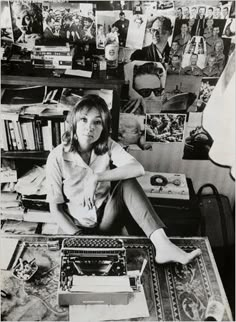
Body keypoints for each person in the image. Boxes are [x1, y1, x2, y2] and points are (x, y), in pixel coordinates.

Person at [46, 94, 201, 264]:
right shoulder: (57, 157)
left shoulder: (108, 145)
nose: (89, 128)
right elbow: (56, 210)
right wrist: (80, 238)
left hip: (106, 218)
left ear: (103, 126)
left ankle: (163, 245)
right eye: (83, 119)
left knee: (128, 180)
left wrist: (96, 177)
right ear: (74, 122)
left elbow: (138, 169)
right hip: (76, 226)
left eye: (97, 122)